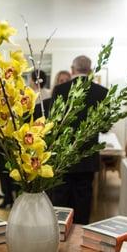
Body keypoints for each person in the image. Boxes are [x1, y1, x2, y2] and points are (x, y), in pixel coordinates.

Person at [49, 55, 107, 224]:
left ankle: (59, 240)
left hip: (63, 160)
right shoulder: (101, 92)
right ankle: (80, 244)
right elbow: (104, 127)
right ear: (90, 71)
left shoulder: (60, 90)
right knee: (83, 207)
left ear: (72, 69)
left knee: (60, 206)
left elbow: (52, 123)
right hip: (87, 160)